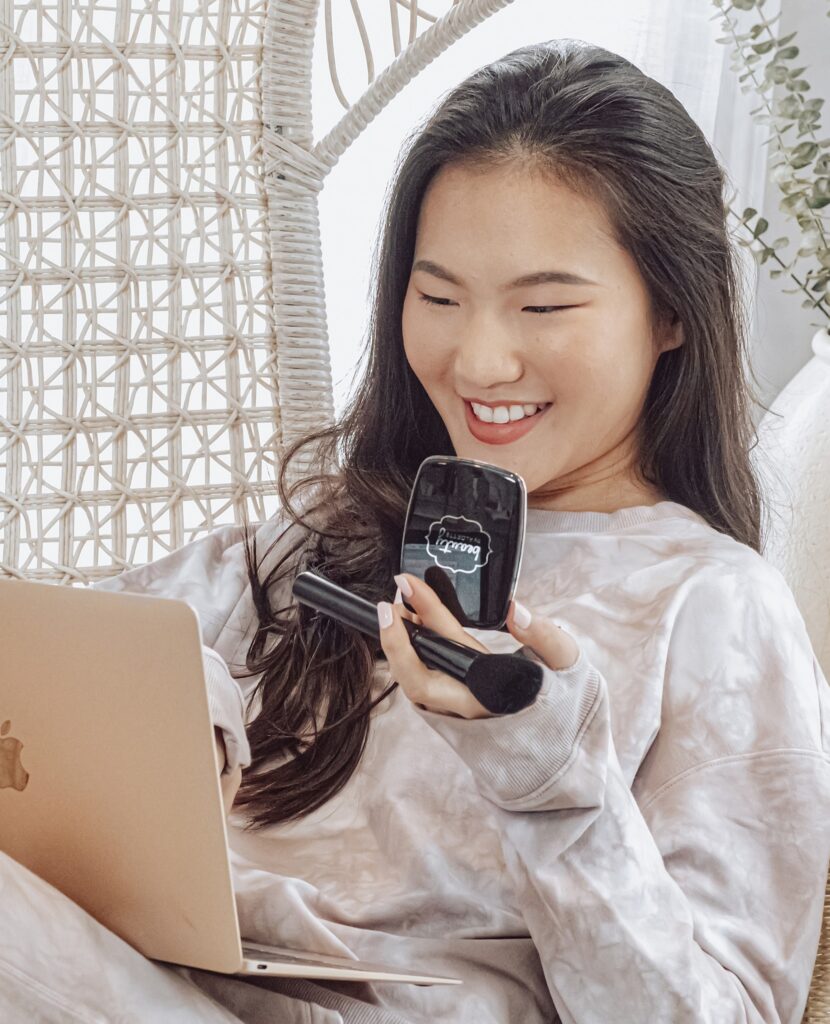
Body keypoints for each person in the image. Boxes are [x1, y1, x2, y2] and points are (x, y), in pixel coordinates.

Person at [2, 36, 829, 1024]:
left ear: (671, 314)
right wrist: (183, 716)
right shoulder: (324, 538)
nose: (478, 360)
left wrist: (553, 779)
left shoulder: (715, 609)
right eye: (437, 297)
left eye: (543, 304)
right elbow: (65, 660)